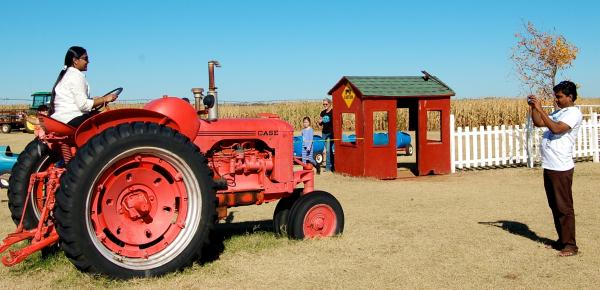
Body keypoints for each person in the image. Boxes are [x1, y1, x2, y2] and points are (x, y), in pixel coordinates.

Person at [528, 80, 583, 257]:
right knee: (555, 205)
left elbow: (557, 129)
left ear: (570, 96)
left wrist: (541, 108)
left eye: (559, 97)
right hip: (550, 166)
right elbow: (539, 123)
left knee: (564, 207)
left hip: (561, 167)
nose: (556, 100)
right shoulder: (560, 112)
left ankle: (570, 245)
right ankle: (561, 240)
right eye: (556, 96)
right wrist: (533, 108)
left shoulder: (573, 113)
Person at [49, 46, 118, 127]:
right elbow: (83, 105)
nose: (88, 61)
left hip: (62, 118)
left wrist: (93, 100)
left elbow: (73, 102)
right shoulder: (76, 76)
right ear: (75, 60)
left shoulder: (68, 74)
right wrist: (105, 99)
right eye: (85, 58)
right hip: (72, 118)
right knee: (111, 120)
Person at [319, 98, 334, 172]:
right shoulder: (322, 112)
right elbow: (320, 123)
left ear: (330, 104)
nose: (325, 105)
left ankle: (328, 167)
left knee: (328, 150)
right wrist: (319, 121)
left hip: (330, 133)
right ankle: (332, 165)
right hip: (324, 133)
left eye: (326, 104)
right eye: (323, 104)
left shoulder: (333, 112)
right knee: (329, 150)